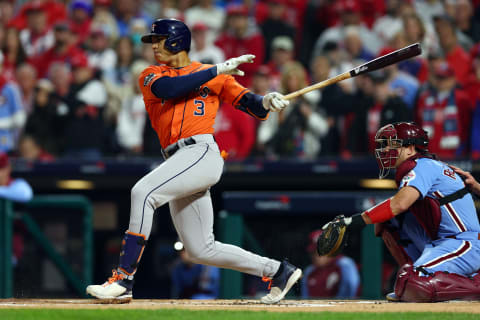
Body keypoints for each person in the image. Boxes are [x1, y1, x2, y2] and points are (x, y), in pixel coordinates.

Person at [86, 18, 301, 304]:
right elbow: (170, 90)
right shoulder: (150, 74)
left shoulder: (216, 76)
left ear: (176, 40)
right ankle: (278, 271)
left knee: (143, 192)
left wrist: (267, 101)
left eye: (159, 40)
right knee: (201, 249)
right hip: (177, 158)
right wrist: (216, 69)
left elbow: (249, 102)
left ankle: (124, 278)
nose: (155, 46)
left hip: (200, 152)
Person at [319, 122, 480, 302]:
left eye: (393, 144)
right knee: (386, 222)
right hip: (440, 243)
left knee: (414, 281)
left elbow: (400, 203)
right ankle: (414, 272)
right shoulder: (423, 166)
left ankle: (473, 284)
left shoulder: (423, 166)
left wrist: (352, 222)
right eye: (385, 144)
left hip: (465, 244)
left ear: (410, 149)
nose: (386, 149)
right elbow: (395, 210)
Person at [301, 230, 360, 299]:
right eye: (314, 252)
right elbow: (305, 299)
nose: (316, 256)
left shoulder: (344, 264)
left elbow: (351, 291)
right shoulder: (309, 271)